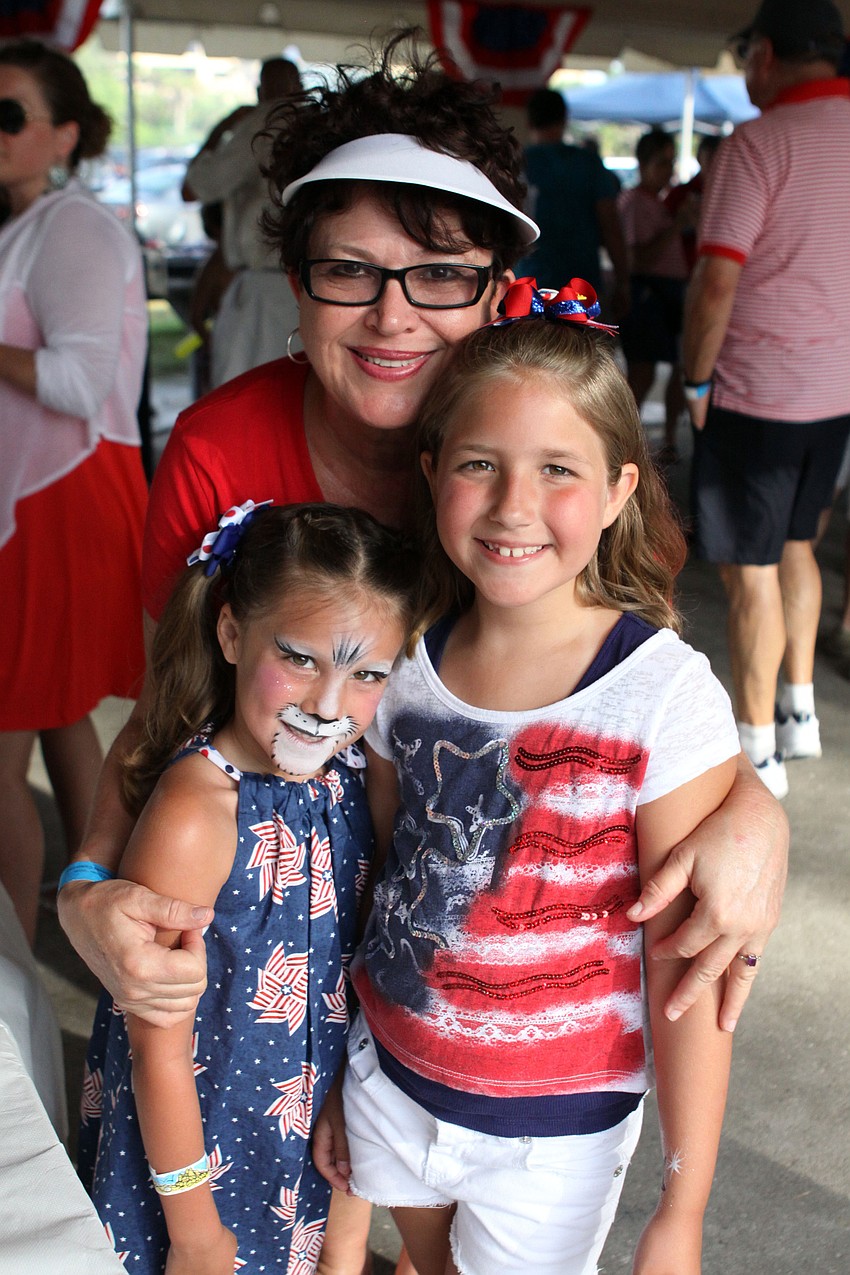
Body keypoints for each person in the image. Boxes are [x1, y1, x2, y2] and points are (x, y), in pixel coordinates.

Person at [57, 28, 785, 1274]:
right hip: (288, 964)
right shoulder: (223, 451)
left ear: (498, 288)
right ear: (295, 283)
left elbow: (631, 691)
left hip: (489, 1013)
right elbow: (170, 718)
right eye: (349, 271)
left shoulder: (559, 472)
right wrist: (83, 895)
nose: (393, 313)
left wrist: (755, 809)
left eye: (439, 273)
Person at [316, 295, 740, 1275]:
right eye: (479, 465)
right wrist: (345, 1068)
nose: (512, 507)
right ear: (431, 475)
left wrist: (684, 1203)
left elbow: (693, 971)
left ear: (619, 488)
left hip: (556, 1131)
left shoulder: (662, 695)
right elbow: (380, 880)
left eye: (556, 470)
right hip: (392, 1080)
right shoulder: (397, 668)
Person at [77, 501, 417, 1274]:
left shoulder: (354, 785)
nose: (329, 704)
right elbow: (154, 1047)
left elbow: (361, 995)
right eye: (300, 658)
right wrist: (195, 1235)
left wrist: (349, 1234)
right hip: (194, 1170)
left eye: (366, 673)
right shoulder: (196, 815)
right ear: (231, 634)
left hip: (310, 1150)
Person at [682, 0, 850, 799]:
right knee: (797, 549)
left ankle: (759, 755)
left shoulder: (760, 143)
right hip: (835, 395)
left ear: (769, 56)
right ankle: (801, 712)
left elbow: (718, 278)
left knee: (749, 573)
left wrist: (694, 379)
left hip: (756, 393)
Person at [0, 40, 148, 945]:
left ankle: (13, 957)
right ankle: (102, 919)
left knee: (11, 734)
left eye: (8, 112)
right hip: (33, 501)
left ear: (61, 135)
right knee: (53, 720)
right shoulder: (23, 226)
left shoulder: (76, 226)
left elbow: (77, 384)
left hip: (61, 503)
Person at [182, 58, 303, 387]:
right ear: (301, 86)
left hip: (263, 289)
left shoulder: (260, 124)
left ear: (260, 90)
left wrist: (223, 128)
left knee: (240, 395)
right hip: (313, 285)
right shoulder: (319, 125)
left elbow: (193, 188)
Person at [515, 87, 628, 315]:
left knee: (527, 350)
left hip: (526, 288)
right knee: (581, 350)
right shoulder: (587, 164)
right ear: (565, 118)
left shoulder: (514, 165)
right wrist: (623, 281)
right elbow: (611, 226)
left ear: (528, 121)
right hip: (580, 288)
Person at [618, 128, 695, 465]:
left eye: (671, 162)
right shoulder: (635, 202)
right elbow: (639, 258)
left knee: (678, 367)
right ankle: (621, 438)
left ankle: (666, 438)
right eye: (662, 163)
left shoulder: (657, 203)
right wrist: (677, 227)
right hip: (649, 293)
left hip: (670, 294)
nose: (669, 170)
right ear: (643, 163)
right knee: (642, 372)